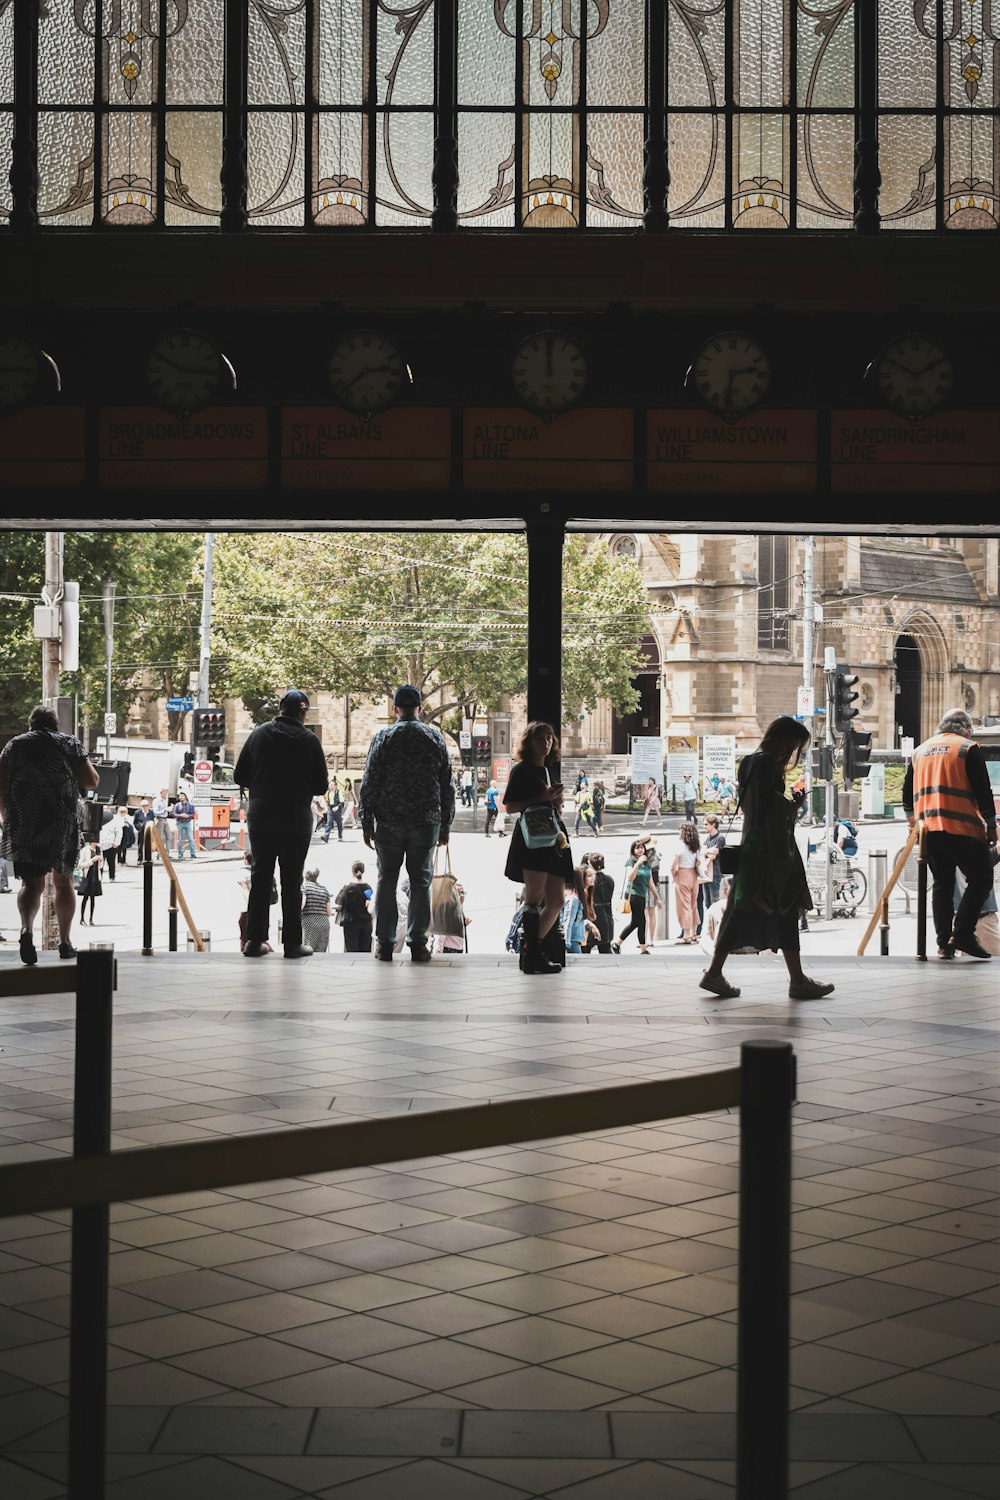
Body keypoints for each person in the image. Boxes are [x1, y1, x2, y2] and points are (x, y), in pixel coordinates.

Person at [700, 716, 834, 1001]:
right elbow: (770, 809)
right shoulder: (765, 764)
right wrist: (792, 807)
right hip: (771, 851)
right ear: (776, 736)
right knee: (784, 909)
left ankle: (715, 972)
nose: (789, 753)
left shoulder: (749, 762)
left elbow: (755, 807)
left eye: (794, 749)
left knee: (739, 912)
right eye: (789, 745)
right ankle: (797, 980)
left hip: (753, 848)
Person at [359, 684, 455, 963]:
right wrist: (445, 825)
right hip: (425, 822)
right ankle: (417, 943)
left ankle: (385, 944)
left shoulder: (383, 738)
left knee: (386, 882)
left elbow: (370, 782)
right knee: (421, 883)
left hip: (388, 822)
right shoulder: (434, 737)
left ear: (395, 709)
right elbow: (447, 785)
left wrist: (367, 821)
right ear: (420, 709)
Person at [234, 688, 330, 959]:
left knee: (260, 875)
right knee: (291, 879)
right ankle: (292, 943)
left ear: (280, 709)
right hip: (295, 818)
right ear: (302, 712)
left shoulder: (259, 734)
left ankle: (255, 940)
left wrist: (263, 783)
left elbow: (240, 775)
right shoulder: (309, 740)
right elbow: (321, 784)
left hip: (262, 814)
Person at [0, 704, 99, 963]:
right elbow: (91, 781)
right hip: (62, 821)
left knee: (31, 884)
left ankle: (25, 929)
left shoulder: (14, 746)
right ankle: (65, 943)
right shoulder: (69, 743)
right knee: (63, 881)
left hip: (25, 821)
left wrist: (5, 818)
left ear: (31, 724)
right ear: (56, 724)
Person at [902, 707, 997, 960]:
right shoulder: (967, 748)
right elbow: (983, 792)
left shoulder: (919, 752)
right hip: (962, 828)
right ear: (966, 729)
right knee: (982, 877)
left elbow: (906, 798)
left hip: (929, 832)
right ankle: (963, 933)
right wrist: (991, 826)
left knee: (942, 885)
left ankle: (944, 944)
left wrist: (914, 825)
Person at [502, 721, 574, 975]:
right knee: (533, 898)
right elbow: (509, 806)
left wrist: (556, 801)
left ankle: (531, 950)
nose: (546, 743)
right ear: (528, 742)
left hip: (553, 836)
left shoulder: (550, 770)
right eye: (540, 738)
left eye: (549, 738)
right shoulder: (521, 770)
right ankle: (531, 955)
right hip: (533, 837)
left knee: (556, 900)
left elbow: (551, 802)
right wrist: (542, 798)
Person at [612, 839, 656, 954]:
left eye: (642, 847)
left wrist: (657, 898)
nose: (640, 849)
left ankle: (617, 944)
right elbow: (630, 878)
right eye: (637, 848)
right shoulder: (631, 862)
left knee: (635, 922)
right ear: (633, 850)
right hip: (633, 894)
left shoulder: (647, 864)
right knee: (641, 921)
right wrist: (637, 864)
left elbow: (650, 882)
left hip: (642, 895)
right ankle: (643, 949)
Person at [671, 820, 701, 944]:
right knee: (693, 904)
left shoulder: (680, 846)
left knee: (684, 905)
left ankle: (687, 934)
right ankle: (694, 933)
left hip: (683, 874)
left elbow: (674, 865)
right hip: (694, 874)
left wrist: (674, 875)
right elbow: (698, 862)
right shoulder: (696, 846)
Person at [697, 812, 727, 933]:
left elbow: (714, 854)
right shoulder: (708, 839)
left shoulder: (720, 838)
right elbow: (703, 853)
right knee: (707, 902)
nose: (704, 827)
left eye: (706, 824)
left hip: (716, 873)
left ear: (713, 824)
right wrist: (707, 851)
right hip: (706, 874)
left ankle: (718, 928)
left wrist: (707, 851)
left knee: (716, 901)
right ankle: (710, 929)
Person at [335, 860, 374, 952]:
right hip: (366, 924)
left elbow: (338, 901)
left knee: (351, 951)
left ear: (352, 872)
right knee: (365, 950)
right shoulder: (367, 888)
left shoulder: (348, 888)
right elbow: (372, 902)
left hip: (351, 924)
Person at [564, 866, 600, 954]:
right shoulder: (573, 898)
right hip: (572, 939)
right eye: (588, 876)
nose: (593, 878)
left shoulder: (572, 895)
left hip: (575, 937)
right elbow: (568, 921)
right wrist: (566, 943)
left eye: (593, 875)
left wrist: (590, 925)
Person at [587, 851, 615, 953]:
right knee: (605, 948)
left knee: (586, 947)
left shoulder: (591, 881)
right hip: (608, 917)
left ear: (590, 864)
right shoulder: (610, 879)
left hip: (595, 917)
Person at [301, 866, 332, 952]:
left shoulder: (304, 887)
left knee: (308, 951)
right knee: (321, 953)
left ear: (305, 876)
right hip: (324, 923)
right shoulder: (324, 889)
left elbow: (302, 905)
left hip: (309, 923)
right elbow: (329, 912)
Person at [434, 882, 471, 954]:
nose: (462, 896)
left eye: (463, 893)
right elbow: (440, 937)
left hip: (458, 952)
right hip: (448, 952)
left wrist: (464, 923)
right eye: (459, 893)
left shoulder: (459, 912)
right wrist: (437, 956)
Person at [76, 840, 103, 927]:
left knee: (93, 898)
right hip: (86, 876)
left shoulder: (99, 849)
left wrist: (100, 861)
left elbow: (100, 866)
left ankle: (91, 919)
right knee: (85, 898)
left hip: (95, 877)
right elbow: (80, 865)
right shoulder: (85, 850)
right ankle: (82, 919)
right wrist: (92, 860)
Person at [173, 790, 197, 860]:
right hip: (179, 823)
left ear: (185, 797)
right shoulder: (177, 805)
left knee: (191, 839)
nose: (180, 797)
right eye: (179, 796)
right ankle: (180, 853)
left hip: (187, 823)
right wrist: (181, 815)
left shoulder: (190, 805)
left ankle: (193, 854)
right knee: (179, 840)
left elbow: (193, 814)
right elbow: (174, 814)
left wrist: (188, 816)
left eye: (182, 796)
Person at [152, 787, 174, 855]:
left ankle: (167, 853)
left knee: (169, 836)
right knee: (160, 837)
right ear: (161, 792)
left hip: (165, 819)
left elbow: (166, 810)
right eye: (165, 792)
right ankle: (160, 853)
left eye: (167, 792)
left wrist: (170, 809)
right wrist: (165, 810)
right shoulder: (157, 800)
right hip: (159, 819)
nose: (166, 794)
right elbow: (155, 812)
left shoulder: (164, 800)